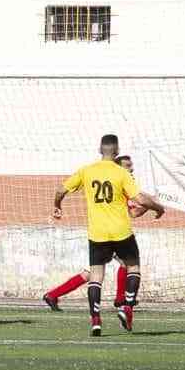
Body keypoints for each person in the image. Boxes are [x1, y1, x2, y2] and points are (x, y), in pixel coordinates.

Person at [54, 135, 164, 336]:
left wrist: (57, 206)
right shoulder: (121, 173)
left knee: (96, 276)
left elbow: (61, 190)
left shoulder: (86, 171)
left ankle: (95, 320)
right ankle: (127, 307)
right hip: (121, 231)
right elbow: (140, 199)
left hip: (97, 233)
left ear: (100, 149)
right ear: (117, 150)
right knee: (133, 267)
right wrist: (158, 208)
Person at [42, 155, 149, 312]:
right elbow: (132, 213)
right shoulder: (118, 183)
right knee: (124, 264)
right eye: (127, 166)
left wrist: (147, 206)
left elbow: (133, 213)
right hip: (106, 235)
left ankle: (52, 295)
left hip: (105, 234)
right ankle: (120, 299)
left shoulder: (123, 186)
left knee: (91, 273)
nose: (131, 169)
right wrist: (151, 205)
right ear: (118, 168)